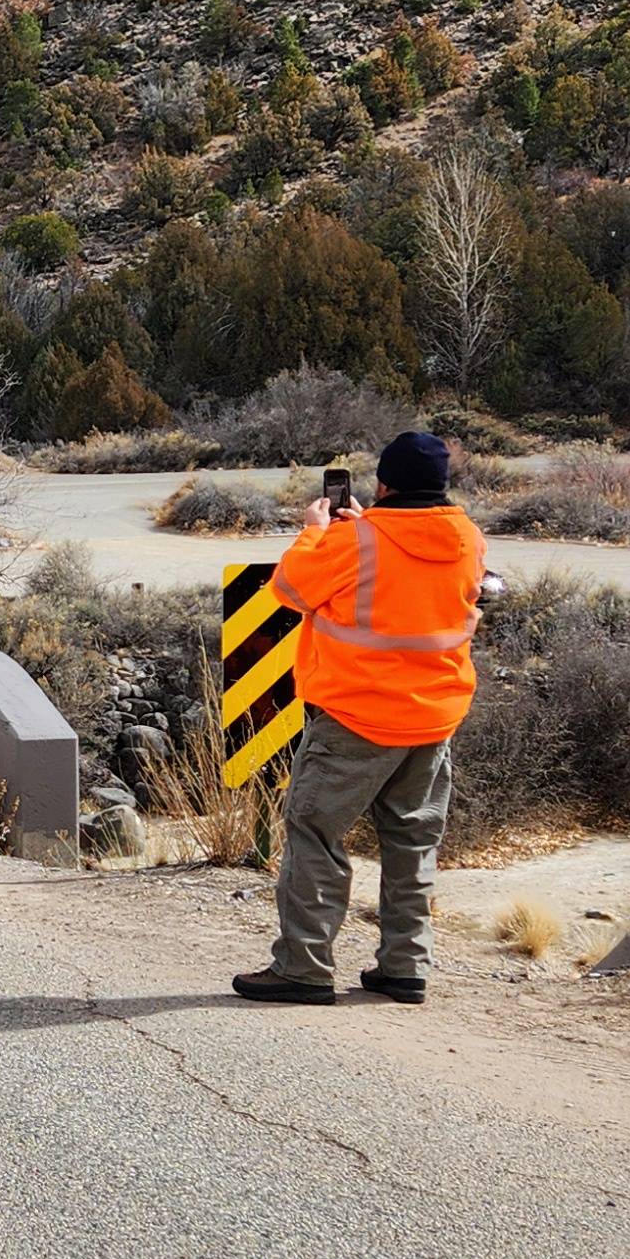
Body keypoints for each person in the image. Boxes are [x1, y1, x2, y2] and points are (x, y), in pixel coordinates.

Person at [232, 430, 489, 1008]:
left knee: (315, 832)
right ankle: (405, 967)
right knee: (413, 842)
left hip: (356, 715)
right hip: (434, 718)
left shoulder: (355, 540)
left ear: (384, 483)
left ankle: (304, 968)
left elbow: (290, 589)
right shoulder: (469, 538)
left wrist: (315, 532)